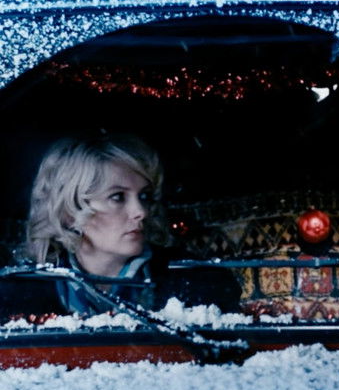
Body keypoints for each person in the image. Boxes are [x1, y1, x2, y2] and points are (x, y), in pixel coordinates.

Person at [1, 133, 241, 317]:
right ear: (69, 212)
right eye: (117, 197)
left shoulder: (198, 283)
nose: (141, 212)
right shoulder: (17, 295)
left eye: (144, 196)